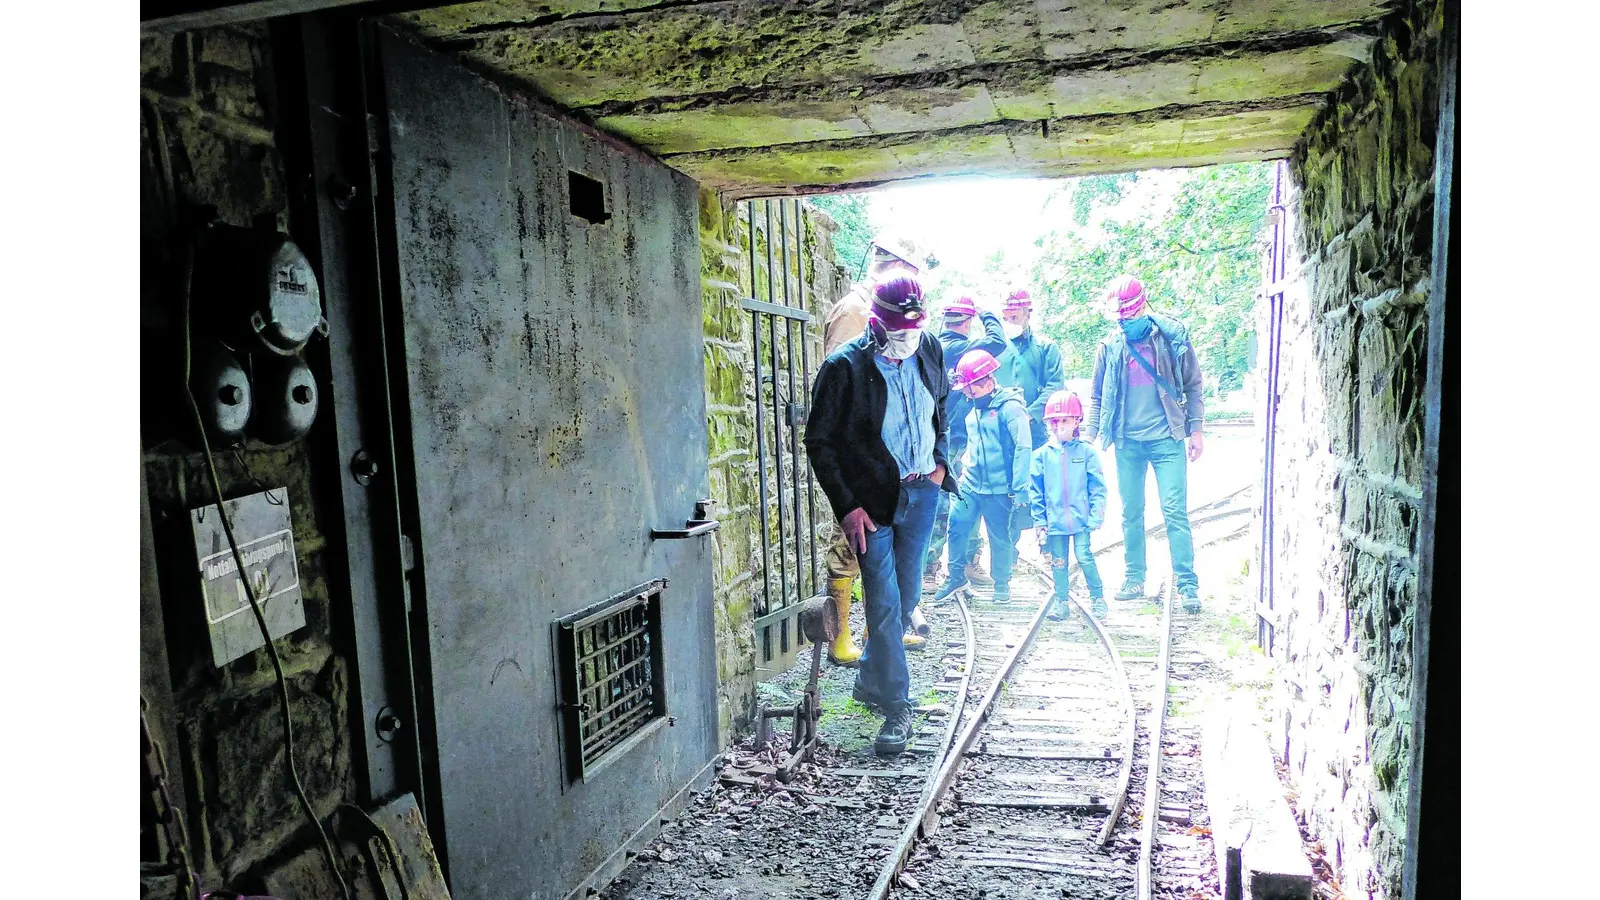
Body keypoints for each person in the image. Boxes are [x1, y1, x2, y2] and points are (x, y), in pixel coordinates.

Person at [805, 272, 956, 755]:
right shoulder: (843, 369)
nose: (906, 338)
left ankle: (872, 680)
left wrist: (940, 465)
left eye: (914, 327)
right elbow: (819, 442)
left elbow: (943, 406)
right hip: (872, 506)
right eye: (897, 329)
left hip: (922, 493)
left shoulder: (930, 348)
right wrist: (847, 507)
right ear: (875, 323)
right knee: (885, 603)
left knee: (906, 597)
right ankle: (897, 706)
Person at [818, 235, 929, 665]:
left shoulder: (878, 307)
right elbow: (842, 386)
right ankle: (842, 637)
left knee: (878, 546)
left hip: (884, 456)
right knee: (851, 540)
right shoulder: (856, 312)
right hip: (859, 456)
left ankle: (875, 629)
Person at [1084, 275, 1207, 613]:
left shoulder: (1170, 339)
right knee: (1130, 513)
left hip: (1167, 438)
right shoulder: (1110, 347)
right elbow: (1097, 397)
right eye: (1119, 316)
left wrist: (1195, 430)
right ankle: (1134, 578)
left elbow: (1193, 385)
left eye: (1127, 313)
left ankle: (1187, 584)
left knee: (1174, 512)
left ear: (1141, 306)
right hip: (1127, 443)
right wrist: (1087, 437)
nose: (1123, 320)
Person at [931, 349, 1031, 605]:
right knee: (957, 524)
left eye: (971, 388)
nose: (966, 393)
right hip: (971, 484)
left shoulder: (1010, 408)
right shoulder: (973, 406)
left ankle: (1002, 583)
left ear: (988, 382)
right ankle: (955, 576)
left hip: (1000, 488)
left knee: (1000, 535)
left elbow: (1023, 447)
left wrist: (1019, 487)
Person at [922, 296, 1008, 590]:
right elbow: (997, 342)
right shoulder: (961, 348)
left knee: (945, 497)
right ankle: (961, 563)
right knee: (965, 495)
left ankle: (932, 567)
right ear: (968, 321)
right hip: (955, 436)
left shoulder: (929, 344)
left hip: (929, 434)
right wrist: (988, 313)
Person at [993, 288, 1065, 568]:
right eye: (1006, 315)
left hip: (1035, 434)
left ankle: (1049, 547)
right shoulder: (996, 346)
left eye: (1015, 314)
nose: (1010, 319)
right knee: (1003, 494)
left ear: (1027, 313)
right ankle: (1006, 554)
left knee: (1042, 490)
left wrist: (1030, 415)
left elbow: (1055, 385)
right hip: (1001, 436)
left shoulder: (1046, 348)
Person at [1030, 390, 1108, 621]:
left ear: (1077, 421)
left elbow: (1097, 486)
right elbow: (1036, 492)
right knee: (1058, 561)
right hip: (1054, 522)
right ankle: (1061, 601)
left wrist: (1096, 515)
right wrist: (1040, 521)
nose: (1059, 426)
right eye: (1055, 421)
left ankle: (1098, 597)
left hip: (1081, 519)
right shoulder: (1040, 456)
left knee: (1084, 556)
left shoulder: (1087, 453)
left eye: (1064, 420)